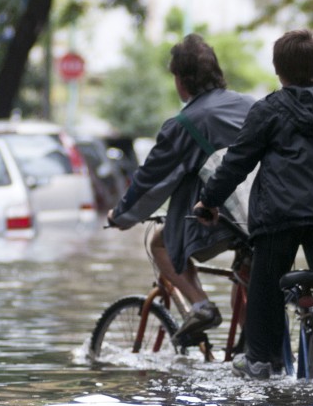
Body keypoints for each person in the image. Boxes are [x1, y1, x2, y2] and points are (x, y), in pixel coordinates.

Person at [193, 29, 313, 381]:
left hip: (279, 215)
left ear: (277, 68)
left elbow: (237, 163)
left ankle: (260, 360)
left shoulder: (268, 110)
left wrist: (208, 201)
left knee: (266, 288)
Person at [107, 34, 254, 345]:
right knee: (248, 302)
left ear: (182, 80)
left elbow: (150, 180)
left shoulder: (185, 124)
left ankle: (200, 305)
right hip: (265, 215)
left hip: (219, 218)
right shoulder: (252, 106)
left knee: (160, 242)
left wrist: (120, 216)